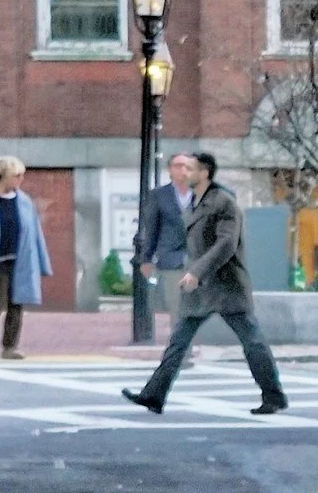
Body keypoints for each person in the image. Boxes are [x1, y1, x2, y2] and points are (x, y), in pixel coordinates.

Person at [123, 151, 287, 416]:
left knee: (252, 342)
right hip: (199, 288)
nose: (185, 173)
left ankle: (274, 395)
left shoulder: (224, 202)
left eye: (191, 168)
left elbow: (226, 244)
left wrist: (197, 272)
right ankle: (154, 395)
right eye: (183, 168)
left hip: (226, 285)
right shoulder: (197, 203)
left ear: (205, 173)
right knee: (178, 342)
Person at [0, 158, 53, 359]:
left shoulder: (24, 202)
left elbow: (36, 235)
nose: (21, 179)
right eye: (17, 175)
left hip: (20, 262)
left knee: (16, 305)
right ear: (2, 176)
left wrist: (43, 265)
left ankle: (10, 347)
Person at [134, 150, 202, 306]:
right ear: (170, 169)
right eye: (178, 166)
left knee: (199, 307)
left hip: (199, 260)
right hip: (171, 261)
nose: (183, 170)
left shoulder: (203, 194)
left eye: (188, 166)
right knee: (177, 306)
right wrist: (146, 259)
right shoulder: (158, 195)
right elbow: (151, 229)